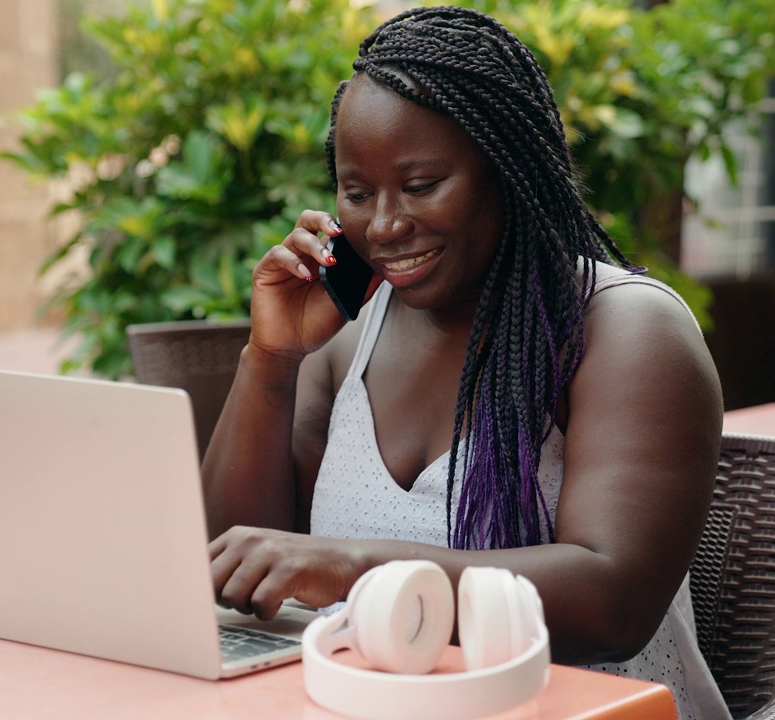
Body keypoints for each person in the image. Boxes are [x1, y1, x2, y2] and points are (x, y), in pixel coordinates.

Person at [201, 6, 728, 719]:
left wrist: (352, 567)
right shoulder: (347, 341)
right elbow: (235, 573)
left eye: (421, 186)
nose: (384, 224)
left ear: (508, 169)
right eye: (357, 193)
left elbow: (614, 601)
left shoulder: (625, 328)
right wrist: (270, 359)